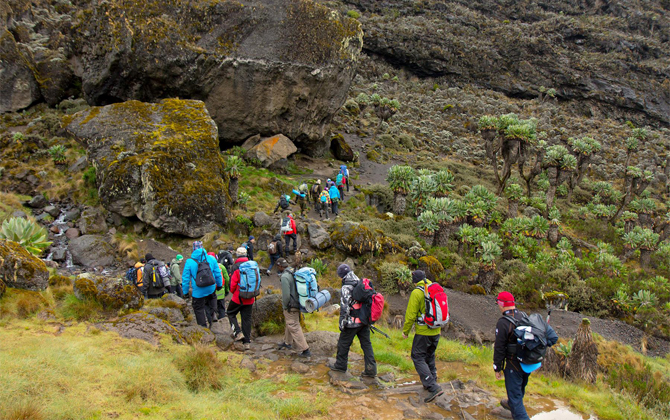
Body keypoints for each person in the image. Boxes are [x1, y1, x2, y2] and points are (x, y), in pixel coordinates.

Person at [493, 291, 558, 420]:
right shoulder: (523, 315)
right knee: (520, 386)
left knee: (515, 395)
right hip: (528, 361)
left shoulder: (503, 322)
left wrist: (497, 367)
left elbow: (499, 348)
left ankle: (517, 409)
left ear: (502, 304)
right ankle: (512, 404)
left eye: (498, 304)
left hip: (513, 364)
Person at [402, 270, 443, 403]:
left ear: (415, 280)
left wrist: (405, 331)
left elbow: (411, 314)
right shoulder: (434, 288)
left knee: (417, 356)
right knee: (429, 356)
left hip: (423, 332)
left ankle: (432, 386)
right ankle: (432, 380)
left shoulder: (417, 292)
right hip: (436, 330)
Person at [331, 264, 376, 377]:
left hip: (351, 323)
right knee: (366, 345)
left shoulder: (346, 287)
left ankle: (340, 366)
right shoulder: (360, 282)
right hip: (363, 321)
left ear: (341, 276)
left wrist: (342, 323)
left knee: (343, 344)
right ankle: (371, 370)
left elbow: (344, 307)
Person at [182, 242, 223, 328]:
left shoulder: (189, 262)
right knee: (212, 298)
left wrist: (185, 292)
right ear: (203, 248)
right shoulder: (211, 258)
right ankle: (213, 314)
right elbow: (218, 273)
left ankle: (203, 327)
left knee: (198, 308)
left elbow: (185, 279)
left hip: (198, 290)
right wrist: (219, 285)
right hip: (211, 287)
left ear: (193, 249)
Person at [276, 258, 311, 357]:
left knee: (293, 325)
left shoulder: (284, 277)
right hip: (298, 302)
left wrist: (285, 306)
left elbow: (286, 296)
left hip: (291, 306)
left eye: (278, 266)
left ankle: (305, 350)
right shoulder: (293, 271)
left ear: (280, 266)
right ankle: (287, 343)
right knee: (290, 323)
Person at [227, 246, 255, 350]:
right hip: (250, 297)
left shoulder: (235, 267)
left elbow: (232, 285)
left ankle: (238, 333)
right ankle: (247, 342)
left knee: (230, 313)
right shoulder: (252, 265)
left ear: (237, 255)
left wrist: (234, 292)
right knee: (246, 319)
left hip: (238, 297)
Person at [212, 252, 230, 320]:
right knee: (221, 307)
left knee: (212, 306)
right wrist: (227, 290)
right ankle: (222, 322)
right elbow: (227, 279)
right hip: (220, 290)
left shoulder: (206, 266)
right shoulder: (221, 267)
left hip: (211, 291)